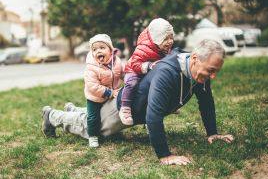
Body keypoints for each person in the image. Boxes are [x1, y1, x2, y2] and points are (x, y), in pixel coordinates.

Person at [41, 40, 234, 165]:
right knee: (92, 128)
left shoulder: (198, 72)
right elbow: (153, 115)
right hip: (125, 108)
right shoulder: (168, 72)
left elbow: (206, 101)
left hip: (135, 107)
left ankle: (74, 109)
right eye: (210, 70)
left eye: (216, 71)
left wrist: (213, 133)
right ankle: (52, 116)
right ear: (194, 58)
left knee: (93, 116)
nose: (213, 76)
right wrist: (164, 155)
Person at [43, 34, 125, 149]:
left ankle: (72, 110)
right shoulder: (91, 67)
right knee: (93, 117)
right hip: (95, 96)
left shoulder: (116, 62)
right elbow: (93, 86)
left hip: (111, 93)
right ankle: (93, 136)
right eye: (94, 49)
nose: (98, 51)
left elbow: (122, 73)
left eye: (102, 48)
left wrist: (128, 79)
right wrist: (111, 93)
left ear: (111, 50)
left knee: (102, 113)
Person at [119, 18, 174, 125]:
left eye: (171, 37)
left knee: (162, 82)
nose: (170, 41)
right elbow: (135, 64)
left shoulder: (164, 49)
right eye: (165, 38)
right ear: (156, 39)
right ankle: (125, 107)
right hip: (133, 71)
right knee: (133, 83)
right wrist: (148, 66)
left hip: (148, 71)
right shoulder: (143, 48)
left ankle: (167, 103)